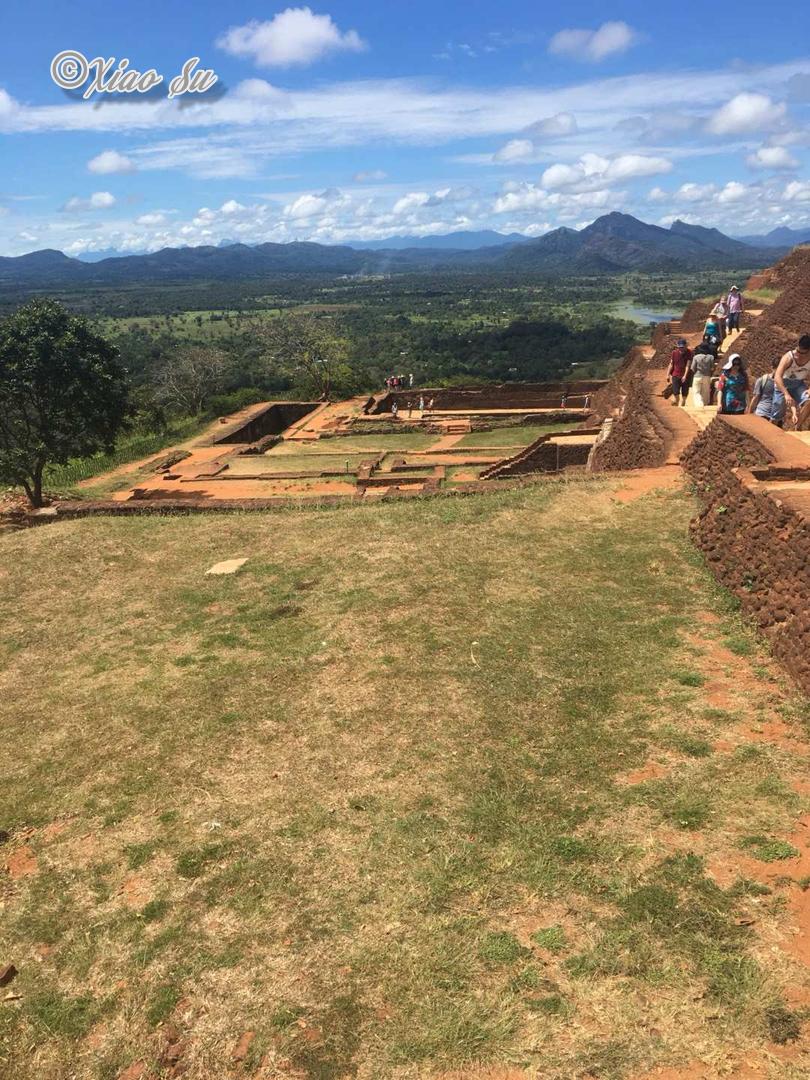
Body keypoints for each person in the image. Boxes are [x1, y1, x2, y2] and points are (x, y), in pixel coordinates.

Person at [773, 335, 810, 428]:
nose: (798, 354)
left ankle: (797, 427)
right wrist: (786, 394)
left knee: (808, 401)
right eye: (798, 351)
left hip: (798, 384)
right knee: (777, 413)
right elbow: (777, 376)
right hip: (783, 385)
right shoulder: (788, 357)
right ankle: (772, 427)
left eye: (802, 353)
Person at [690, 340, 717, 408]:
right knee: (706, 392)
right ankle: (705, 404)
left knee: (696, 391)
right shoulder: (711, 357)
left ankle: (699, 403)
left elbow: (692, 368)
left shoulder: (696, 357)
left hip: (697, 376)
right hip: (707, 376)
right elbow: (712, 368)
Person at [668, 338, 693, 406]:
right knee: (675, 390)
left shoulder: (689, 353)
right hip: (675, 374)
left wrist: (685, 376)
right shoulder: (674, 353)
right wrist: (667, 374)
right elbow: (671, 364)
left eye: (682, 347)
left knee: (685, 390)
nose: (681, 349)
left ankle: (683, 401)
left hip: (685, 375)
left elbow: (688, 365)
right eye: (679, 347)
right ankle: (677, 400)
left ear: (685, 346)